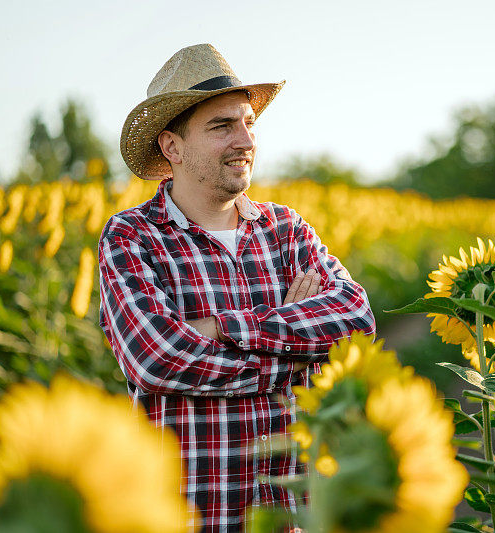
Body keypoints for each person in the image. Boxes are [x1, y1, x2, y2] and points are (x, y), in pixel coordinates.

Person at [98, 43, 375, 532]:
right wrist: (296, 351)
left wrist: (221, 329)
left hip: (295, 516)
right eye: (221, 126)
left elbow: (356, 321)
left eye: (249, 122)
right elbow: (156, 359)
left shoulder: (286, 229)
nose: (245, 138)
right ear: (172, 147)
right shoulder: (133, 236)